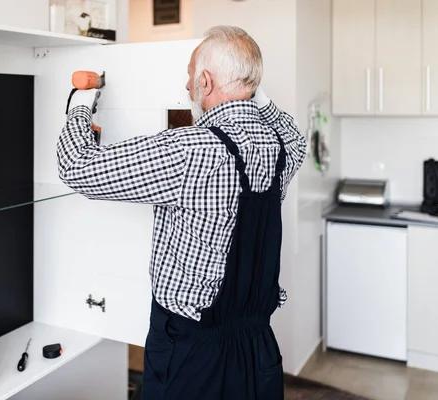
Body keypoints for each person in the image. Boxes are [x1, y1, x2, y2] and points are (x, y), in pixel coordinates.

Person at [57, 25, 306, 400]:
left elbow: (76, 166)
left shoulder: (192, 149)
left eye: (191, 76)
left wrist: (78, 103)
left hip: (191, 356)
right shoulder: (282, 145)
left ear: (205, 81)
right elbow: (287, 128)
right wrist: (251, 85)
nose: (186, 87)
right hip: (258, 350)